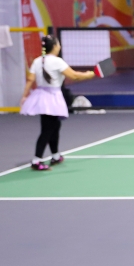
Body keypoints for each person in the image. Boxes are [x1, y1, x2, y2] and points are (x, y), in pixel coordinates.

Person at [19, 35, 97, 170]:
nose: (59, 46)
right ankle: (36, 160)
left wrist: (24, 96)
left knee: (55, 126)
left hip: (41, 97)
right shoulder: (57, 61)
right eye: (58, 44)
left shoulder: (37, 61)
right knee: (47, 130)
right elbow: (74, 76)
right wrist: (90, 74)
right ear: (55, 46)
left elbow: (30, 80)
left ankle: (55, 156)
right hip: (52, 98)